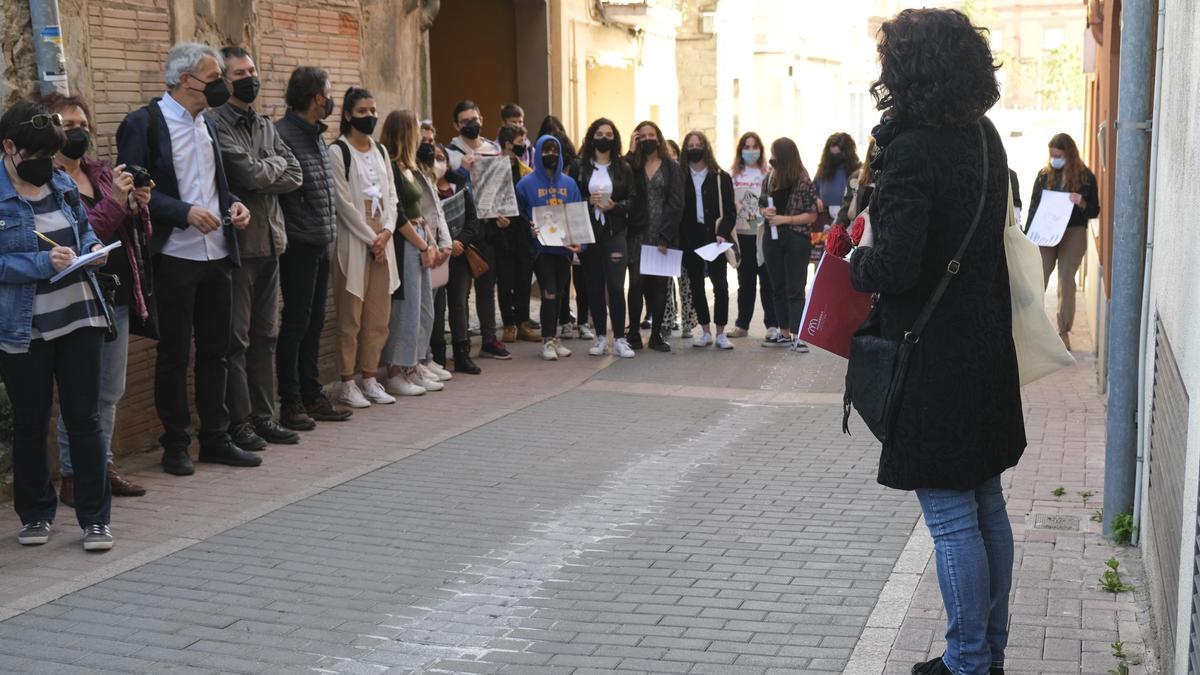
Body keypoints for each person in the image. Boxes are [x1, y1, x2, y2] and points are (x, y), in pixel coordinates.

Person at [850, 9, 1025, 675]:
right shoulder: (984, 138)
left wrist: (852, 265)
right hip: (984, 346)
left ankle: (968, 661)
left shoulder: (912, 149)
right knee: (986, 503)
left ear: (911, 70)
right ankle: (988, 652)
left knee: (952, 517)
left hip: (932, 359)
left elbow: (895, 266)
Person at [116, 42, 259, 476]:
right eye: (214, 80)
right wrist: (182, 212)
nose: (220, 87)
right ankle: (175, 444)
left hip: (217, 253)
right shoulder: (145, 123)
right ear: (185, 80)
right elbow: (132, 189)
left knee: (217, 351)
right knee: (174, 355)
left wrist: (235, 204)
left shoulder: (208, 123)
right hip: (174, 256)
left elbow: (213, 186)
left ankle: (215, 438)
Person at [0, 101, 115, 550]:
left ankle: (95, 520)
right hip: (23, 326)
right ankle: (34, 515)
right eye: (38, 156)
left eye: (52, 155)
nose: (48, 165)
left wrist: (93, 248)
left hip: (79, 315)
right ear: (10, 147)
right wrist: (39, 263)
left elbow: (83, 230)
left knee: (84, 418)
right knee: (31, 422)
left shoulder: (62, 181)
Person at [40, 93, 149, 505]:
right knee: (79, 392)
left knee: (110, 390)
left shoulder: (99, 171)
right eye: (68, 126)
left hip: (114, 293)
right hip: (76, 296)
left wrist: (139, 205)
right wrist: (117, 203)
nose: (79, 132)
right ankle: (75, 475)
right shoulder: (44, 181)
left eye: (83, 125)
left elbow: (128, 231)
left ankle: (101, 466)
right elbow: (83, 237)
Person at [213, 46, 304, 452]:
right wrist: (268, 169)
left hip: (272, 241)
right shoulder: (216, 123)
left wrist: (262, 170)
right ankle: (240, 422)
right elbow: (244, 172)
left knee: (268, 334)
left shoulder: (265, 123)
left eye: (252, 69)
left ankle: (265, 416)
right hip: (238, 247)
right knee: (237, 340)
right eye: (239, 73)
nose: (249, 77)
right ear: (223, 80)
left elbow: (295, 173)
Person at [275, 67, 354, 430]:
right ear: (318, 97)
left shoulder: (317, 135)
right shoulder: (283, 134)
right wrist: (304, 228)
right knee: (296, 322)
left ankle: (312, 393)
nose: (332, 99)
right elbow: (288, 193)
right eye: (329, 92)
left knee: (314, 321)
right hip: (300, 245)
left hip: (322, 240)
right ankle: (291, 401)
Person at [328, 86, 400, 408]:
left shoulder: (382, 152)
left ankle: (370, 378)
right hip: (354, 242)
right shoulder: (338, 152)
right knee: (351, 317)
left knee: (378, 315)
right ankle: (347, 382)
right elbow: (344, 205)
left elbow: (393, 198)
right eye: (362, 112)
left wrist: (386, 233)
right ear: (347, 115)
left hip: (383, 241)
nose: (370, 117)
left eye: (373, 111)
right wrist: (372, 239)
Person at [378, 109, 450, 397]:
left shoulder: (411, 166)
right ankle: (395, 370)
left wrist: (431, 242)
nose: (422, 136)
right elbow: (398, 214)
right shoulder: (393, 167)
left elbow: (419, 211)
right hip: (404, 242)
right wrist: (422, 245)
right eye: (417, 129)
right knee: (405, 309)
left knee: (424, 309)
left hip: (420, 237)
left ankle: (414, 363)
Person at [444, 100, 509, 359]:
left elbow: (502, 187)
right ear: (456, 125)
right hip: (461, 228)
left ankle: (489, 339)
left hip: (488, 226)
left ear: (482, 118)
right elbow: (443, 187)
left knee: (487, 285)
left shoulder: (493, 149)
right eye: (465, 121)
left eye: (474, 119)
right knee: (460, 291)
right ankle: (461, 345)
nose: (471, 124)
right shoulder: (449, 153)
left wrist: (504, 214)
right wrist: (462, 169)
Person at [1026, 132, 1099, 350]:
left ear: (1069, 154)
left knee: (1066, 279)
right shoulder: (1043, 175)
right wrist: (1028, 234)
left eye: (1058, 155)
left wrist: (1082, 201)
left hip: (1073, 232)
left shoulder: (1086, 177)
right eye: (1051, 155)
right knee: (1038, 277)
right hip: (1046, 233)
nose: (1054, 159)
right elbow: (1034, 206)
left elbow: (1094, 210)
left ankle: (1063, 331)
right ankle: (1032, 329)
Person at [572, 117, 637, 358]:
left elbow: (632, 200)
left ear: (615, 138)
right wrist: (587, 203)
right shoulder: (580, 166)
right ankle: (601, 337)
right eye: (600, 134)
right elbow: (573, 198)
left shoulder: (623, 167)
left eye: (609, 134)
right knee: (594, 286)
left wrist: (614, 206)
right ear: (592, 137)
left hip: (615, 232)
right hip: (589, 232)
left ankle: (619, 338)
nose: (604, 138)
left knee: (616, 286)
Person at [515, 135, 584, 361]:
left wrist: (579, 242)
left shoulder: (569, 184)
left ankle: (555, 339)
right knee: (549, 292)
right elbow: (519, 216)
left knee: (561, 294)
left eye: (555, 150)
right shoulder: (525, 184)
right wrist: (529, 229)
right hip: (541, 249)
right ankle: (547, 340)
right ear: (538, 153)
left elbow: (576, 215)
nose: (550, 155)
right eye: (546, 150)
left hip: (563, 249)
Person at [626, 120, 683, 352]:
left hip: (663, 235)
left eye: (652, 135)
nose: (648, 139)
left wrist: (665, 236)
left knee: (660, 286)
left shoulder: (671, 167)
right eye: (642, 136)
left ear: (658, 138)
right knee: (637, 284)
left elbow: (677, 203)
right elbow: (618, 180)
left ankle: (657, 335)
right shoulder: (632, 165)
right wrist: (630, 150)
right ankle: (633, 334)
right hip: (638, 233)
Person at [427, 141, 483, 374]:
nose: (438, 162)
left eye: (442, 157)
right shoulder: (425, 186)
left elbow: (472, 219)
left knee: (459, 304)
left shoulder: (460, 184)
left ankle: (462, 354)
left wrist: (461, 241)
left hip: (459, 254)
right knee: (437, 306)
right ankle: (437, 356)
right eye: (433, 158)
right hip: (437, 255)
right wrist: (442, 245)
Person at [759, 138, 818, 351]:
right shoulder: (769, 178)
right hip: (771, 237)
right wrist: (765, 212)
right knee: (777, 286)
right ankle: (783, 331)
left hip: (796, 238)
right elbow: (761, 205)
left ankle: (798, 334)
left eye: (775, 153)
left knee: (796, 287)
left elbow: (812, 215)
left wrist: (785, 219)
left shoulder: (803, 180)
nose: (771, 158)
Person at [679, 130, 736, 350]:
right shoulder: (681, 176)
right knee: (696, 285)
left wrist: (722, 231)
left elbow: (730, 211)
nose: (694, 148)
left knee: (720, 285)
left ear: (706, 147)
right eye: (690, 145)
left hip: (715, 238)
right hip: (690, 237)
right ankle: (705, 331)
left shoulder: (720, 176)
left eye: (698, 144)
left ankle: (721, 332)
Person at [728, 131, 777, 340]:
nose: (750, 151)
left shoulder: (768, 172)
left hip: (763, 232)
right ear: (740, 150)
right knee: (745, 280)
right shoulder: (733, 174)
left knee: (767, 279)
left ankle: (772, 325)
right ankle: (742, 324)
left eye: (754, 146)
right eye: (746, 147)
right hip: (742, 233)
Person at [494, 123, 537, 344]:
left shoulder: (526, 171)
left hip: (523, 232)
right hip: (501, 234)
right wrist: (496, 219)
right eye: (520, 144)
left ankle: (523, 322)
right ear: (508, 144)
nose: (524, 148)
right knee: (505, 279)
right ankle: (508, 324)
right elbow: (484, 202)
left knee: (523, 279)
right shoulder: (491, 169)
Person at [813, 132, 861, 262]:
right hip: (825, 218)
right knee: (824, 256)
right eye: (832, 154)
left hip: (847, 218)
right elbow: (813, 188)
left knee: (843, 256)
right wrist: (816, 197)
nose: (835, 158)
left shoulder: (857, 170)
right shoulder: (823, 169)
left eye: (838, 155)